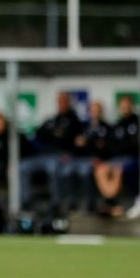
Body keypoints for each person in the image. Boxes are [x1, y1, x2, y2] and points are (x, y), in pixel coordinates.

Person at [19, 92, 82, 224]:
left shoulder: (75, 121)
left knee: (52, 168)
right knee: (23, 166)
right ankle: (25, 202)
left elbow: (76, 141)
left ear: (69, 103)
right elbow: (38, 135)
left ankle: (56, 203)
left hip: (60, 156)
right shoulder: (51, 120)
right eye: (59, 101)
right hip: (43, 155)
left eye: (64, 101)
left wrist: (68, 150)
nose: (61, 104)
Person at [94, 95, 140, 217]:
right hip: (115, 158)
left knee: (118, 169)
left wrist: (122, 146)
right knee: (101, 169)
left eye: (127, 106)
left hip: (132, 158)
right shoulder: (117, 125)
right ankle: (110, 202)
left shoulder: (137, 123)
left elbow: (135, 145)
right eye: (122, 106)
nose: (124, 108)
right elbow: (110, 145)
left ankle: (111, 202)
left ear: (131, 106)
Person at [66, 101, 110, 213]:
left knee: (85, 171)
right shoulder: (83, 126)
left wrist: (88, 143)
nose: (94, 112)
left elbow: (104, 147)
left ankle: (90, 203)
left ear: (101, 112)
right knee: (67, 170)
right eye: (92, 110)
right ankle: (72, 202)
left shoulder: (105, 127)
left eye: (97, 110)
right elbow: (77, 144)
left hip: (96, 159)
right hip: (79, 158)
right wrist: (88, 143)